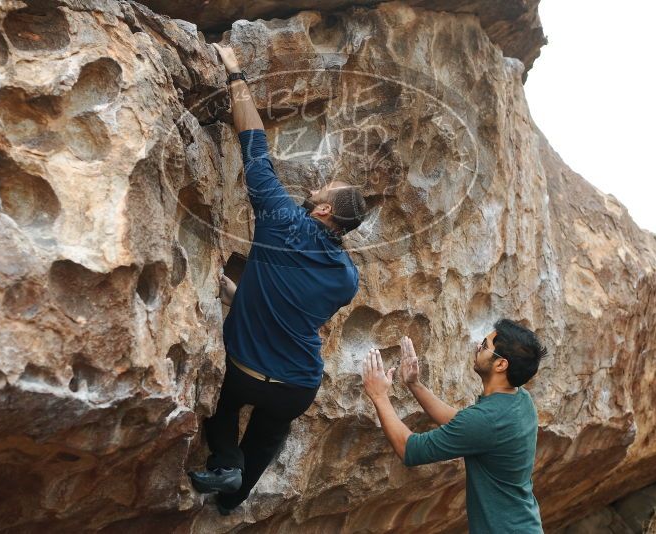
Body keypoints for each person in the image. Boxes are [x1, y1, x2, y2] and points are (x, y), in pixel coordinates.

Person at [188, 43, 368, 515]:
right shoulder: (347, 278)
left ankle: (226, 461)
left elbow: (254, 144)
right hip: (297, 385)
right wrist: (241, 294)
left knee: (224, 408)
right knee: (269, 437)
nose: (316, 185)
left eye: (324, 188)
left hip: (245, 373)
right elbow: (289, 307)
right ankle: (232, 499)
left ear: (325, 209)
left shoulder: (280, 218)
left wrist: (235, 73)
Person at [361, 320, 548, 533]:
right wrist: (415, 384)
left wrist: (378, 395)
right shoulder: (520, 400)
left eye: (485, 346)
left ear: (501, 365)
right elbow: (462, 425)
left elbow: (410, 449)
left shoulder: (487, 420)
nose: (478, 347)